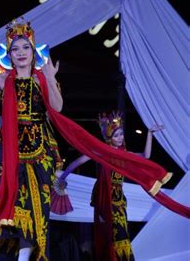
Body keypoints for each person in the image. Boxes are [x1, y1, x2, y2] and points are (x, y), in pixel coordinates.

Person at [0, 20, 64, 261]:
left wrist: (50, 78)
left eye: (26, 48)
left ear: (33, 50)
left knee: (32, 209)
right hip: (8, 149)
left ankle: (25, 257)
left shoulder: (41, 79)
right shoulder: (0, 80)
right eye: (15, 49)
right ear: (9, 54)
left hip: (39, 152)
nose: (21, 53)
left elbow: (56, 109)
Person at [57, 112, 163, 261]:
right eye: (116, 135)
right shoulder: (101, 152)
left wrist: (150, 133)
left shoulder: (124, 154)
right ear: (109, 138)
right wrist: (63, 176)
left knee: (122, 235)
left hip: (120, 202)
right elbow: (78, 162)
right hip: (106, 200)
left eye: (121, 134)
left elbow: (146, 156)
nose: (120, 138)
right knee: (115, 236)